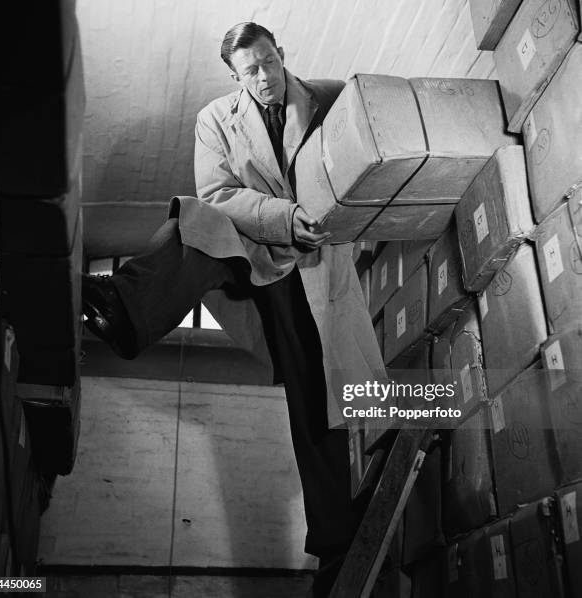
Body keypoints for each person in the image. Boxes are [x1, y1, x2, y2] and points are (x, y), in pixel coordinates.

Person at [82, 22, 386, 597]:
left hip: (315, 273)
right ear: (235, 77)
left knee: (315, 401)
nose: (266, 76)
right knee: (199, 222)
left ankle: (334, 546)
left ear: (281, 55)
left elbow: (362, 162)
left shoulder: (331, 97)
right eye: (252, 70)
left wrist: (328, 221)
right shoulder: (215, 119)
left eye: (270, 61)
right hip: (253, 250)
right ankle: (122, 304)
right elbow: (219, 193)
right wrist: (283, 216)